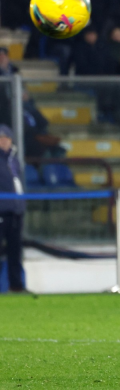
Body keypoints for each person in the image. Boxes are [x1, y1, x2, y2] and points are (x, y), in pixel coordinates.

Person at [0, 125, 27, 293]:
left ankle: (16, 286)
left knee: (15, 251)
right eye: (1, 138)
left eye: (6, 138)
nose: (4, 141)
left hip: (15, 212)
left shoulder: (14, 160)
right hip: (2, 211)